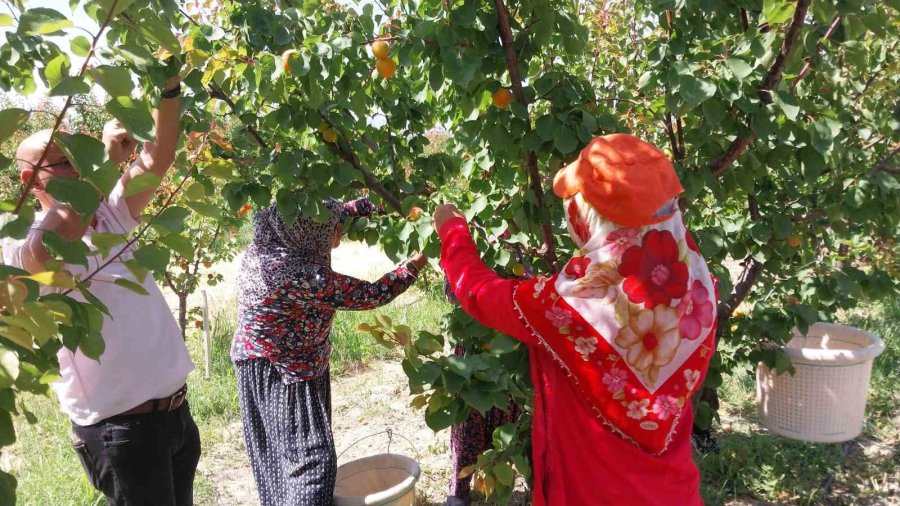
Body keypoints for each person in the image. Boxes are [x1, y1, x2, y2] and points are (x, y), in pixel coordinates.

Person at [433, 133, 718, 505]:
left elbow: (480, 295)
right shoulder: (698, 285)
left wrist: (452, 232)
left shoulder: (568, 305)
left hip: (590, 492)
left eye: (576, 201)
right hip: (674, 491)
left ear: (589, 215)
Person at [3, 76, 200, 505]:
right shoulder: (16, 245)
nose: (80, 167)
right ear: (29, 177)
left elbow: (157, 159)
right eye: (66, 162)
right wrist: (105, 164)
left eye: (82, 155)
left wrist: (168, 90)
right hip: (121, 433)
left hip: (175, 416)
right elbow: (54, 246)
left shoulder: (110, 213)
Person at [231, 198, 427, 506]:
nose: (338, 233)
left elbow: (337, 211)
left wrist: (385, 205)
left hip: (271, 362)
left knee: (283, 461)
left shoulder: (278, 239)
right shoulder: (295, 273)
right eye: (330, 230)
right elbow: (370, 294)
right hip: (284, 373)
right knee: (312, 465)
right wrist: (417, 262)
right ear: (307, 235)